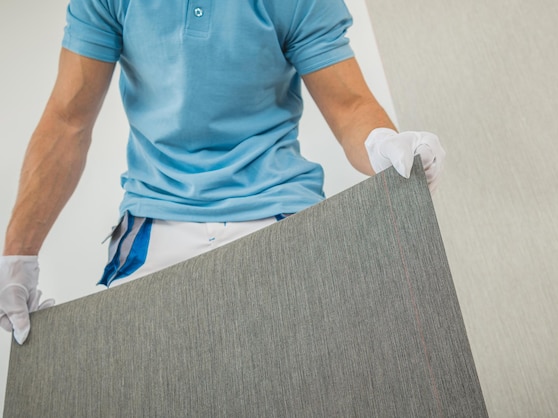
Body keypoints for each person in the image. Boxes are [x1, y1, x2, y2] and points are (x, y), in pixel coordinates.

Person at [0, 0, 445, 345]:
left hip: (280, 211)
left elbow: (350, 106)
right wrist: (16, 258)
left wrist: (383, 144)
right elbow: (68, 120)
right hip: (157, 221)